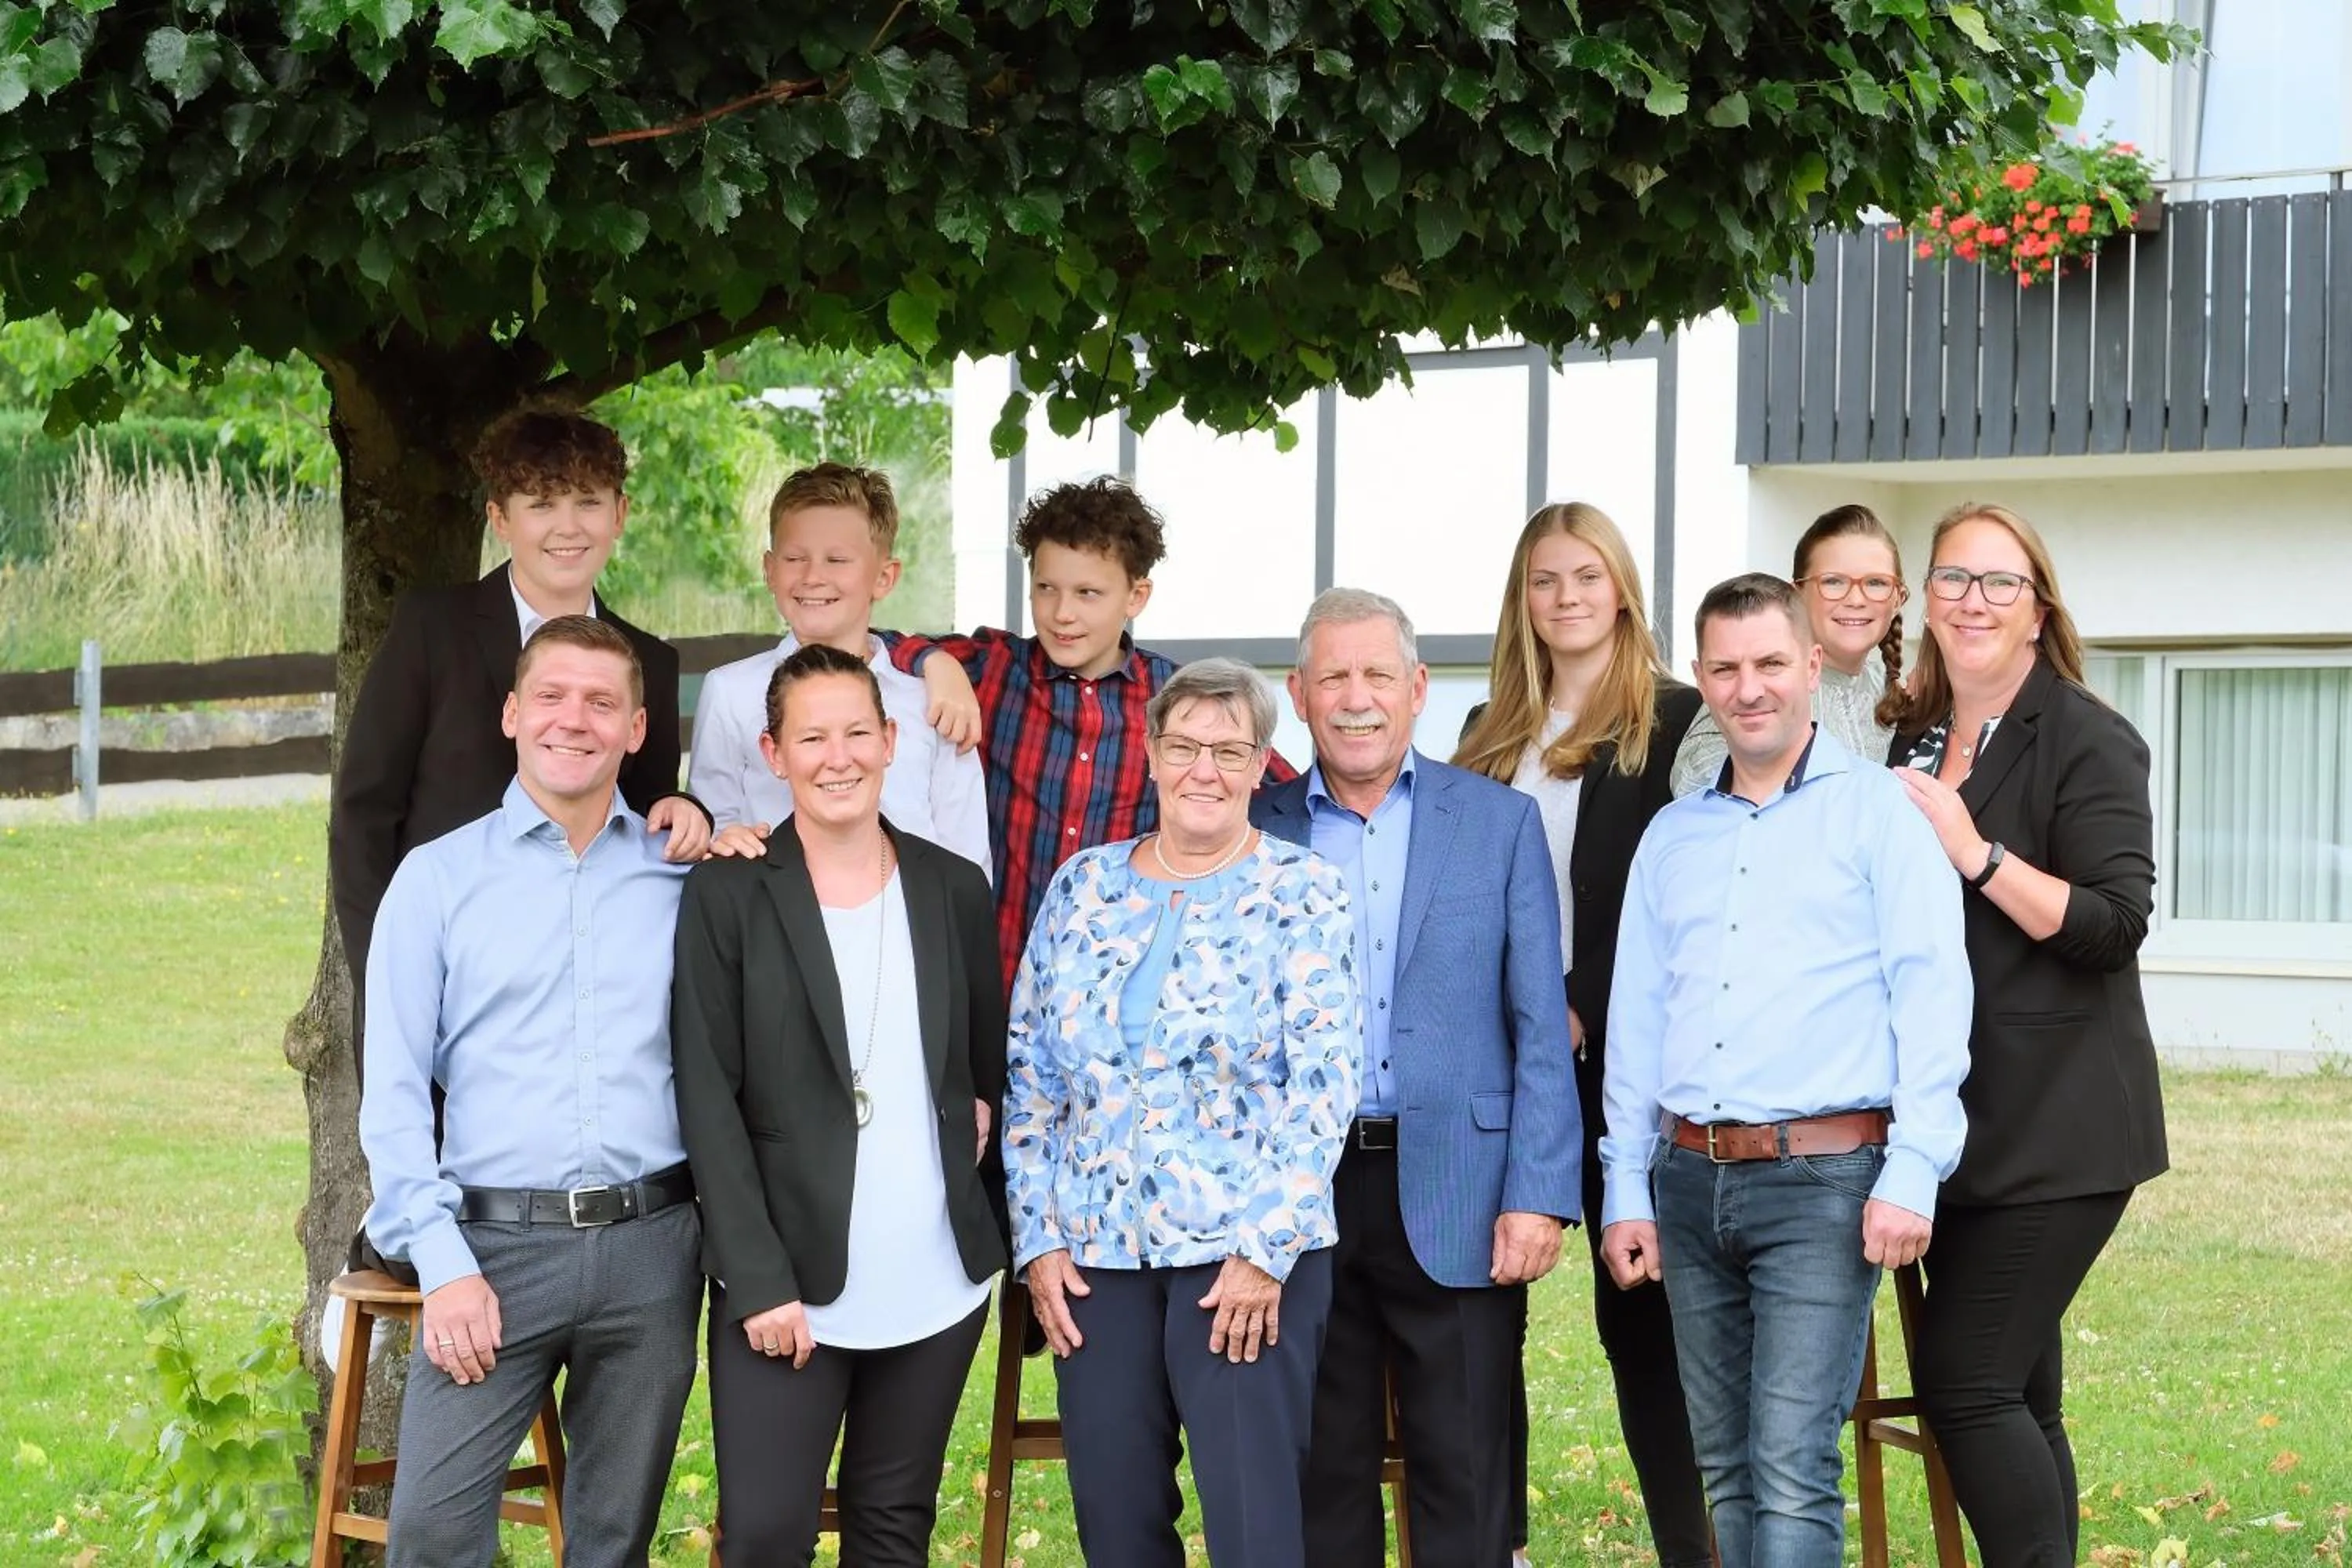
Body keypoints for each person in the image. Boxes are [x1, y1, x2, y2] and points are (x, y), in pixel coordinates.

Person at [1599, 573, 1973, 1568]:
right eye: (1725, 667)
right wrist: (1626, 1185)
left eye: (1770, 661)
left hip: (1824, 1181)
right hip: (1687, 1180)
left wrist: (1916, 1166)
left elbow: (1932, 992)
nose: (1748, 686)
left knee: (1792, 1463)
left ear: (1811, 664)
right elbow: (1638, 1020)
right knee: (1725, 1464)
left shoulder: (1879, 813)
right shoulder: (1673, 836)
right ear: (1701, 677)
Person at [357, 616, 704, 1568]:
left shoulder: (684, 874)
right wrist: (442, 1264)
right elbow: (392, 1096)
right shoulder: (435, 879)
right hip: (490, 1251)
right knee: (431, 1535)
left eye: (601, 702)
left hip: (651, 1248)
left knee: (612, 1542)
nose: (573, 719)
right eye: (551, 695)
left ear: (637, 728)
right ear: (513, 713)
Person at [1004, 658, 1359, 1568]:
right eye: (1186, 746)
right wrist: (1040, 1241)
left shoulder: (1304, 888)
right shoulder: (1081, 885)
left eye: (1230, 751)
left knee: (1253, 1530)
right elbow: (1031, 1076)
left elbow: (1324, 1086)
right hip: (1094, 1260)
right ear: (1153, 754)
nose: (1205, 768)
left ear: (1260, 765)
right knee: (1115, 1523)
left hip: (1243, 1261)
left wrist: (1263, 1251)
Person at [1254, 588, 1580, 1568]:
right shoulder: (1253, 825)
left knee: (1468, 1474)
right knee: (1322, 1475)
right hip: (1302, 1194)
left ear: (1419, 687)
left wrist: (1537, 1193)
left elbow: (1539, 1021)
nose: (1357, 698)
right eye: (1334, 677)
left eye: (1378, 675)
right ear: (1299, 694)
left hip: (1462, 1188)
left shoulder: (1499, 821)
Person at [671, 641, 1007, 1565]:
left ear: (891, 740)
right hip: (788, 1283)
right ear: (773, 754)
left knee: (893, 1527)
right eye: (812, 737)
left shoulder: (953, 888)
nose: (838, 757)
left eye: (858, 732)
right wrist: (758, 1278)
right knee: (765, 1535)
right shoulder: (729, 891)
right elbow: (707, 1096)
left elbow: (985, 1070)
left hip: (933, 1280)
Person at [1888, 503, 2168, 1568]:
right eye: (1954, 579)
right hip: (1961, 1126)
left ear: (2038, 609)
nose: (1975, 601)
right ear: (1928, 601)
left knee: (1964, 1381)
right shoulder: (1914, 737)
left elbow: (2115, 923)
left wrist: (1978, 854)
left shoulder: (2089, 735)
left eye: (2000, 582)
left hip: (2062, 1127)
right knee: (2022, 1396)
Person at [1454, 503, 1709, 1568]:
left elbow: (1681, 896)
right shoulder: (1488, 729)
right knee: (1478, 1326)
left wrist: (1575, 1005)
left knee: (1641, 1323)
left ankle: (1694, 1550)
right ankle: (1495, 1548)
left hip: (1620, 1067)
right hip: (1500, 1070)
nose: (1565, 597)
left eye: (1585, 576)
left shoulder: (1678, 721)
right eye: (1544, 579)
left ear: (1622, 590)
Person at [332, 408, 710, 1051]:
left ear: (619, 514)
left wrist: (685, 808)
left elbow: (647, 808)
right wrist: (394, 988)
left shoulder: (649, 661)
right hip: (448, 984)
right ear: (500, 518)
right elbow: (364, 817)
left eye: (588, 502)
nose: (568, 527)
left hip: (586, 998)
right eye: (541, 504)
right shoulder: (432, 631)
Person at [885, 477, 1293, 993]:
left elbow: (1282, 793)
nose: (1062, 613)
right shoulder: (994, 669)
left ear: (1136, 596)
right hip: (994, 978)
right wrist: (934, 661)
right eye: (1046, 588)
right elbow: (874, 646)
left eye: (1088, 594)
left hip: (1118, 989)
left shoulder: (1179, 700)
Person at [688, 461, 990, 876]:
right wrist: (723, 843)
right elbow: (710, 826)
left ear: (884, 577)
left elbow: (967, 857)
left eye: (837, 560)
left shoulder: (933, 700)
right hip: (774, 906)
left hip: (911, 911)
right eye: (795, 558)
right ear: (770, 571)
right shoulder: (730, 691)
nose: (813, 576)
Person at [1671, 503, 1909, 798]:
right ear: (1796, 594)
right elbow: (1697, 785)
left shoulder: (1900, 697)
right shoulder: (1758, 691)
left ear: (1898, 599)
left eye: (1876, 583)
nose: (1856, 599)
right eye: (1833, 582)